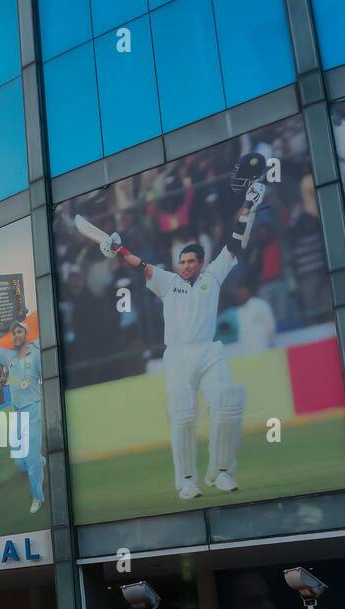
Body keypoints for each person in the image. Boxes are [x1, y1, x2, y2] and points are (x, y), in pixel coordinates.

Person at [105, 168, 266, 499]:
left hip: (209, 351)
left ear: (202, 261)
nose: (186, 265)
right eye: (182, 260)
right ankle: (187, 480)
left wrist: (248, 206)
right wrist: (119, 251)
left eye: (191, 260)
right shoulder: (168, 282)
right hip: (177, 356)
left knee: (227, 402)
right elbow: (141, 265)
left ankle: (221, 471)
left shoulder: (213, 277)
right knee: (182, 415)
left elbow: (235, 243)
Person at [0, 312, 45, 513]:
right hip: (17, 413)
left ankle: (37, 496)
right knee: (20, 462)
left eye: (19, 331)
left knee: (32, 459)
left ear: (26, 334)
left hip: (33, 411)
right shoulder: (9, 357)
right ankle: (36, 458)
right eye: (14, 332)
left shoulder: (35, 354)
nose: (16, 335)